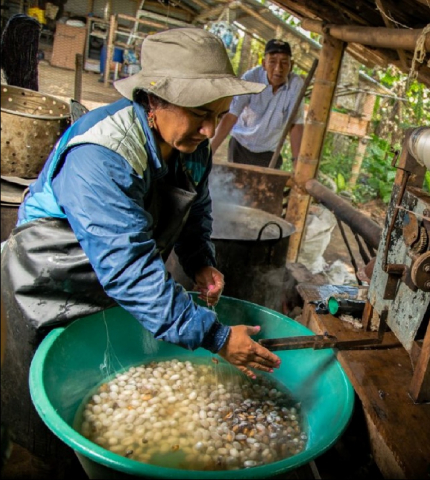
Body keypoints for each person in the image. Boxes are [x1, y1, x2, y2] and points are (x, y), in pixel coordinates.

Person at [0, 27, 281, 471]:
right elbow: (130, 271)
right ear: (154, 100)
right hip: (49, 277)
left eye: (219, 114)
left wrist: (200, 261)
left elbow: (196, 207)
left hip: (110, 275)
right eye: (199, 114)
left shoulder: (191, 144)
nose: (210, 129)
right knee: (44, 403)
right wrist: (219, 338)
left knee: (99, 370)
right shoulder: (102, 156)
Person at [209, 39, 304, 169]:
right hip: (241, 146)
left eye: (284, 63)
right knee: (233, 187)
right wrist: (210, 151)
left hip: (269, 152)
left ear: (291, 65)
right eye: (272, 62)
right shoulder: (250, 79)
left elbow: (296, 125)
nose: (278, 68)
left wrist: (297, 164)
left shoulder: (296, 85)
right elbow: (231, 115)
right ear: (264, 64)